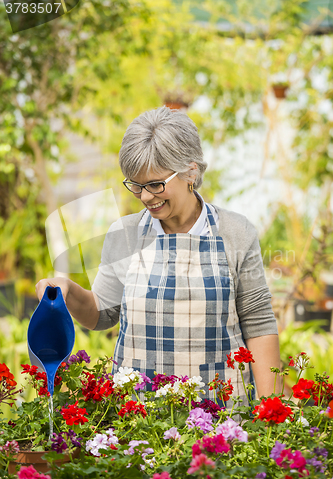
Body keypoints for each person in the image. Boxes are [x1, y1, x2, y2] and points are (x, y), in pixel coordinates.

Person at [36, 106, 281, 404]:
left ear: (191, 171)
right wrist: (67, 291)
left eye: (155, 184)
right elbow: (101, 313)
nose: (146, 197)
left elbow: (258, 324)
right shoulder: (124, 234)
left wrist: (273, 414)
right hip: (140, 419)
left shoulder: (235, 232)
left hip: (221, 416)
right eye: (136, 186)